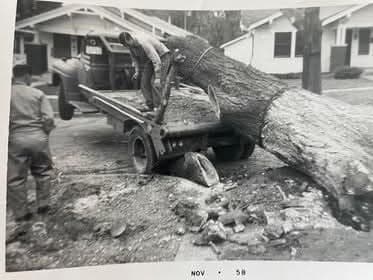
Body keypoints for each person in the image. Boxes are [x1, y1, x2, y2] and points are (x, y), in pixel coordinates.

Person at [7, 64, 55, 223]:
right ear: (27, 76)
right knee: (43, 172)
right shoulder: (38, 93)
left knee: (16, 178)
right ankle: (43, 206)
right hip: (37, 137)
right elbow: (48, 118)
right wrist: (44, 134)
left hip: (15, 138)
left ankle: (22, 215)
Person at [118, 31, 172, 111]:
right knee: (144, 81)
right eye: (126, 46)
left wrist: (157, 77)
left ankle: (158, 108)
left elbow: (156, 60)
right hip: (151, 59)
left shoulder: (144, 43)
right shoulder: (130, 46)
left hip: (163, 56)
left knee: (155, 83)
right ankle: (149, 105)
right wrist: (137, 71)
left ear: (130, 39)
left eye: (128, 45)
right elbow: (135, 59)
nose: (128, 47)